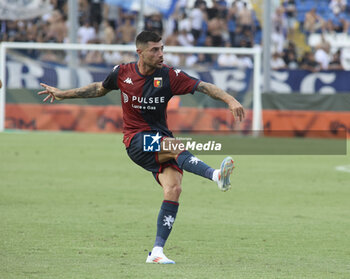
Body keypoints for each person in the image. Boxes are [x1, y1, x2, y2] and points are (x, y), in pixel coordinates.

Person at [38, 31, 245, 264]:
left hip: (160, 139)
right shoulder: (122, 73)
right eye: (154, 50)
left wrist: (231, 100)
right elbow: (98, 88)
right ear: (140, 52)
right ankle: (216, 175)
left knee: (174, 190)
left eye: (162, 49)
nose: (161, 54)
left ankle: (156, 252)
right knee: (175, 146)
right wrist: (63, 95)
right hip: (135, 140)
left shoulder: (169, 76)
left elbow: (203, 86)